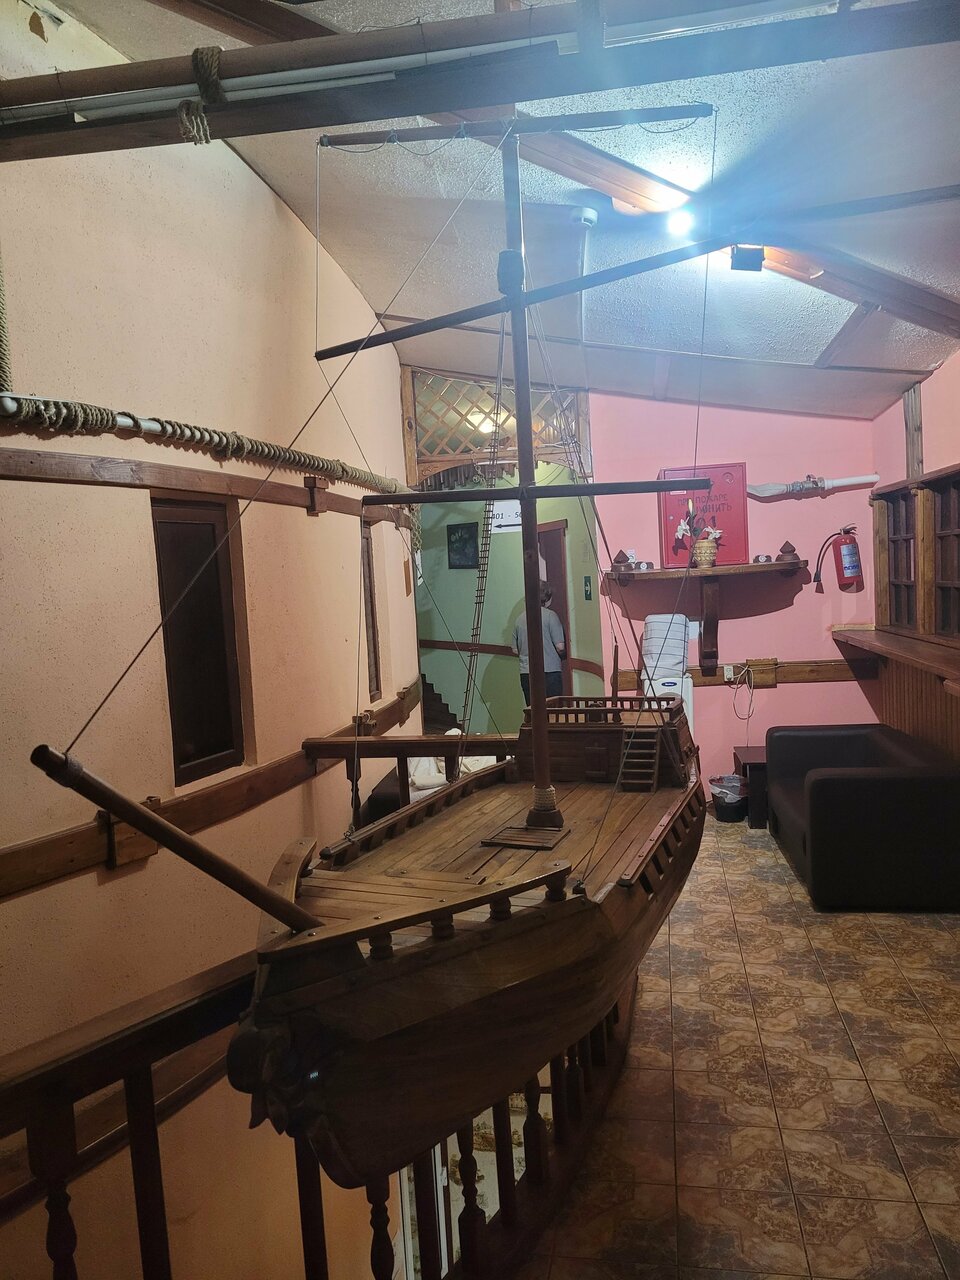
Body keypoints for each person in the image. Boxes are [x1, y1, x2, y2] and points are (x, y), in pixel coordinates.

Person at [512, 580, 566, 704]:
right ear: (547, 598)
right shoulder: (551, 616)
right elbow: (560, 647)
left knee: (532, 709)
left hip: (527, 672)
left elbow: (515, 650)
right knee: (553, 711)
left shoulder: (520, 619)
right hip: (550, 672)